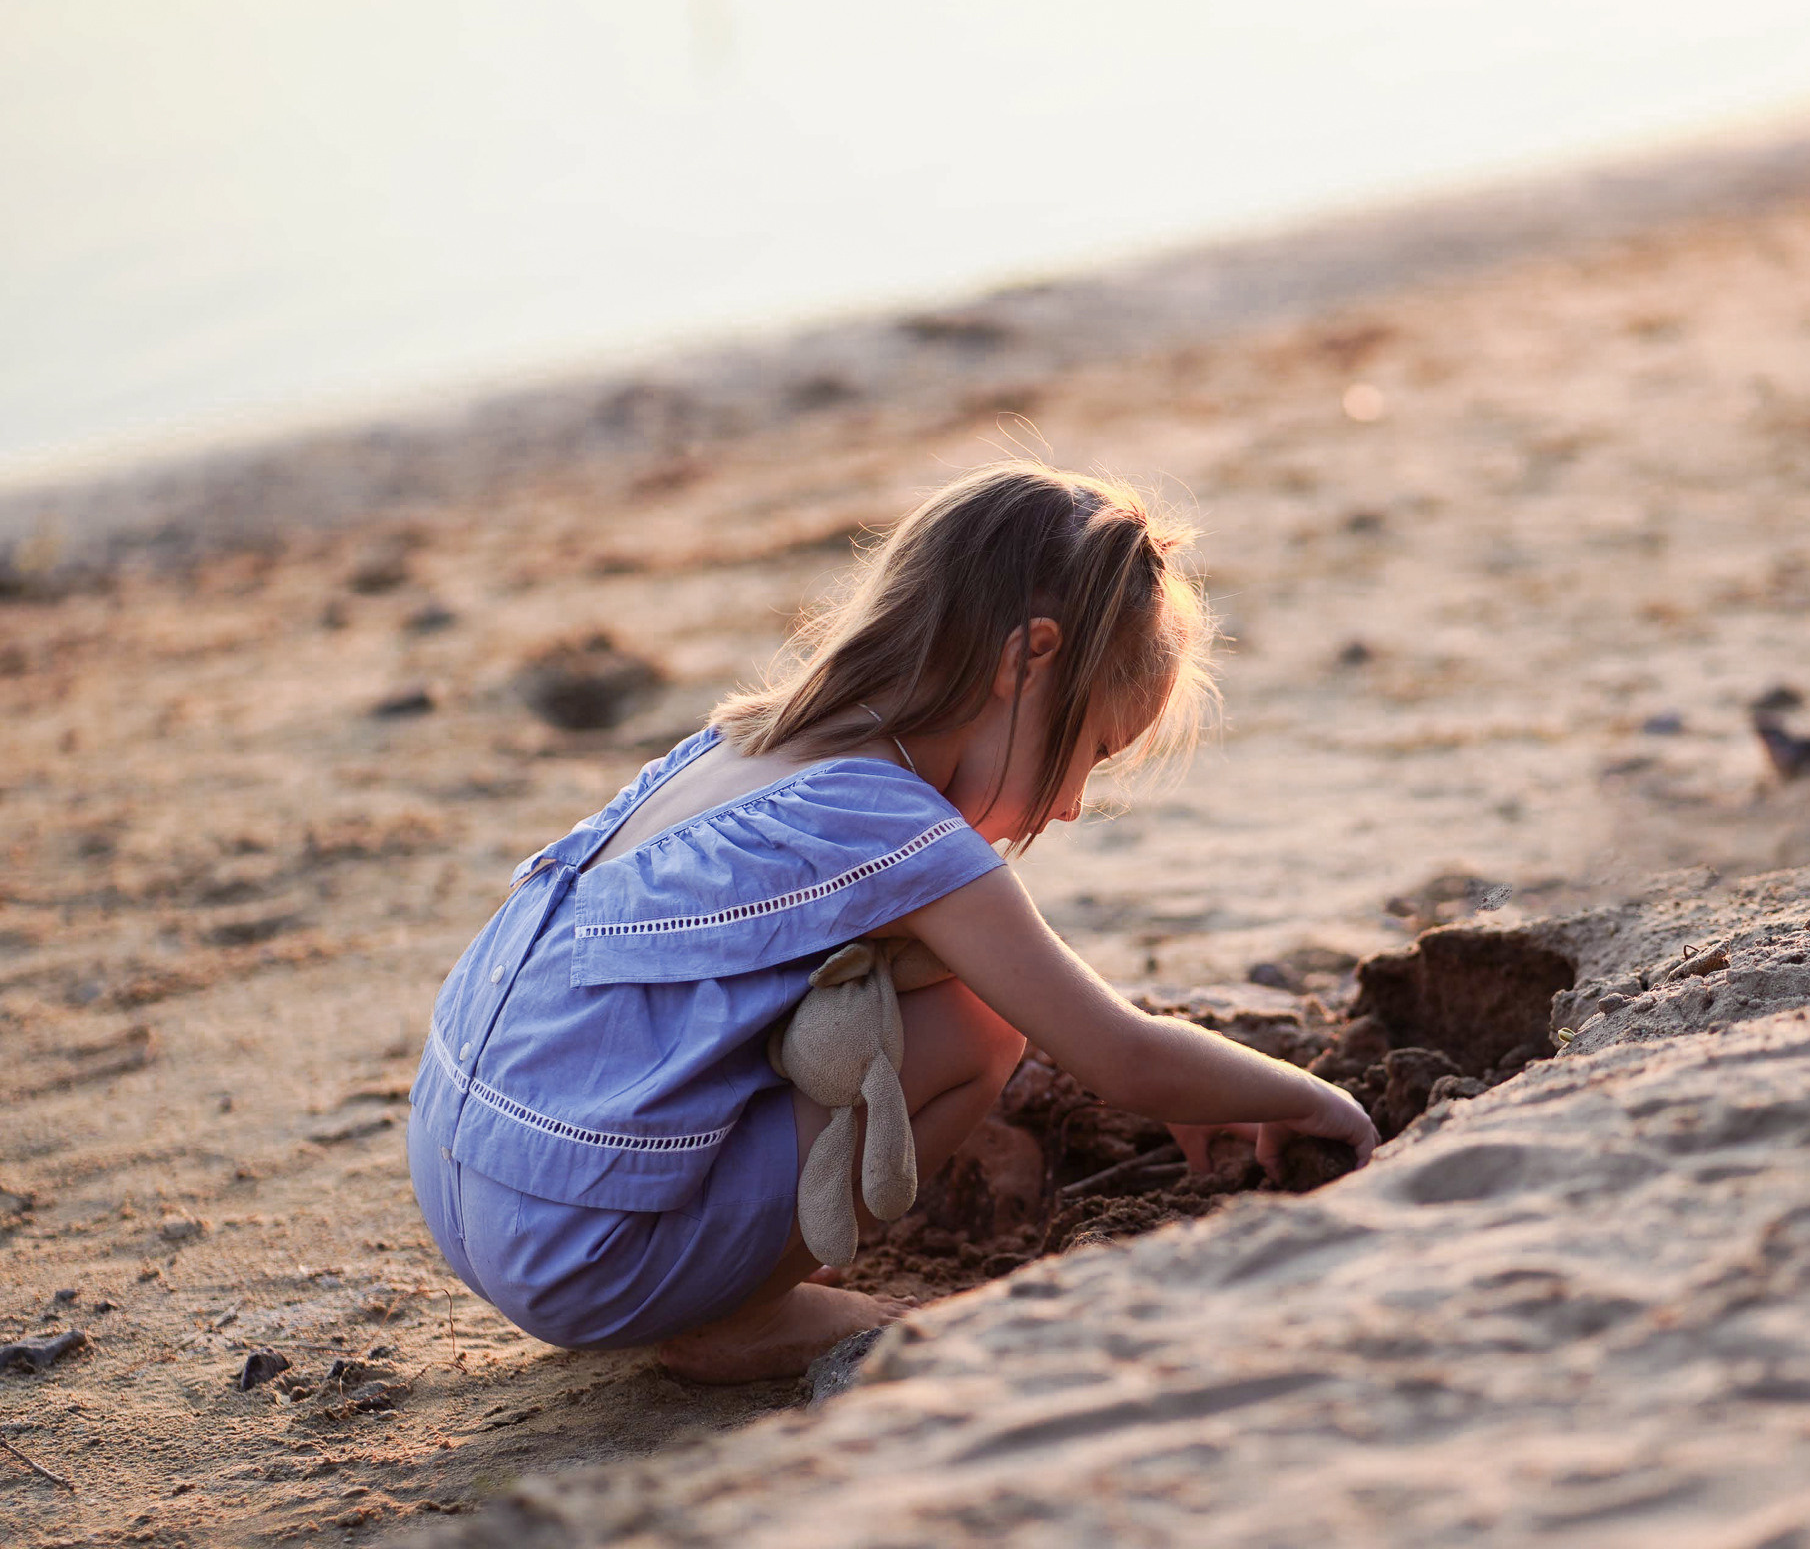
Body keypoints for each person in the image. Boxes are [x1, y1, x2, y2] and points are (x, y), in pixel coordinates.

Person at [407, 463, 1378, 1383]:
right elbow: (1117, 1052)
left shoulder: (739, 748)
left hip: (467, 1191)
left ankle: (713, 1252)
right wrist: (1305, 1100)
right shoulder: (893, 825)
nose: (1075, 802)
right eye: (1092, 749)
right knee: (976, 1027)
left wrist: (1168, 1076)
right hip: (589, 1262)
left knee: (928, 977)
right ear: (1028, 659)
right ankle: (740, 1315)